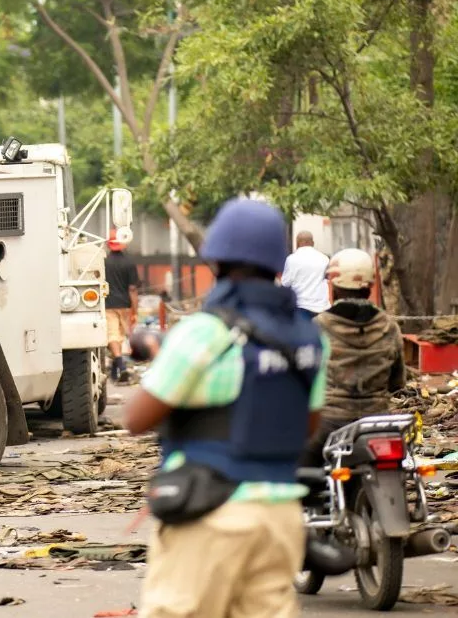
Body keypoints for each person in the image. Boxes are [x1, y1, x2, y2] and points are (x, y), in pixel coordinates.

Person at [124, 198, 328, 618]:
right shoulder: (309, 339)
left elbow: (136, 418)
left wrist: (164, 357)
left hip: (211, 511)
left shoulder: (204, 332)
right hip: (280, 518)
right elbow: (306, 425)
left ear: (216, 259)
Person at [300, 247, 404, 466]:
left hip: (329, 424)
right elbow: (397, 382)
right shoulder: (389, 327)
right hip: (378, 423)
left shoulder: (317, 327)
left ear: (334, 288)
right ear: (369, 287)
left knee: (297, 475)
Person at [104, 229, 140, 382]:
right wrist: (135, 310)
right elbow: (132, 289)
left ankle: (119, 366)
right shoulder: (129, 263)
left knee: (112, 335)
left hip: (108, 304)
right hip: (124, 304)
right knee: (120, 335)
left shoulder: (103, 262)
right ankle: (118, 368)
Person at [281, 230, 330, 319]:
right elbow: (328, 281)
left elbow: (285, 283)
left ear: (297, 243)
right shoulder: (324, 259)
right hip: (321, 307)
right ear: (313, 243)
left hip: (301, 307)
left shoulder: (291, 259)